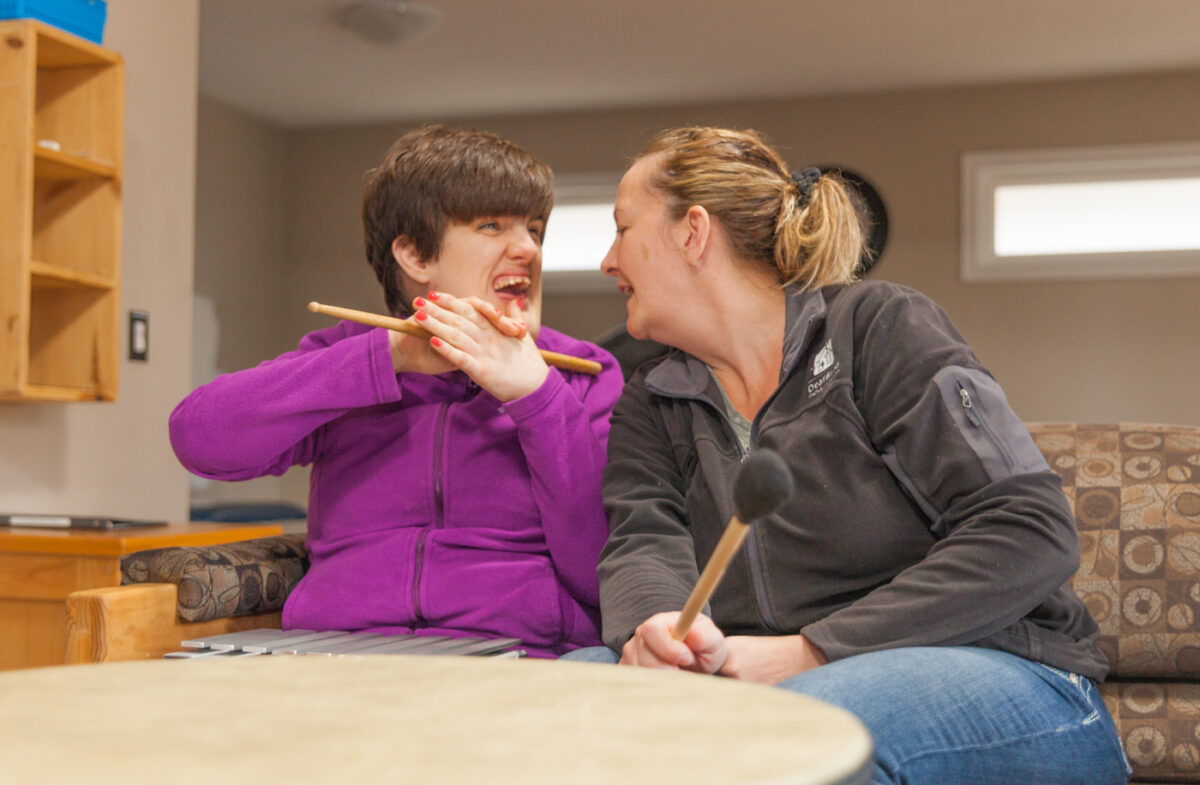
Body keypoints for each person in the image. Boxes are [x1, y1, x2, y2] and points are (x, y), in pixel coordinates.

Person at [572, 126, 1129, 783]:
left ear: (692, 232)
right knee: (562, 701)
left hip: (1010, 671)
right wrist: (659, 630)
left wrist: (812, 651)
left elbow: (1030, 531)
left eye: (622, 228)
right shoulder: (651, 399)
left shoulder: (881, 327)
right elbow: (644, 537)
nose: (608, 261)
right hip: (759, 675)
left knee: (790, 737)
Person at [170, 126, 624, 658]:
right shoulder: (345, 356)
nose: (527, 248)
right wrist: (386, 358)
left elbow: (602, 572)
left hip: (517, 655)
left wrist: (536, 397)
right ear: (414, 255)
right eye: (490, 224)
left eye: (535, 229)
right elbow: (197, 438)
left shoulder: (583, 375)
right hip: (336, 652)